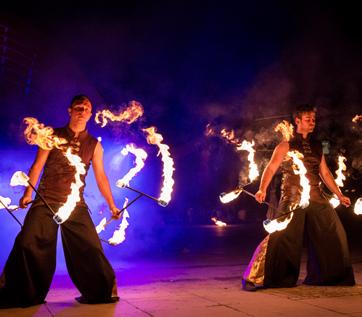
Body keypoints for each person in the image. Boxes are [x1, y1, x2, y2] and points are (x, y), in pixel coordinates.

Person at [0, 95, 121, 307]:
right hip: (46, 200)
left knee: (91, 247)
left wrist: (112, 204)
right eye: (78, 108)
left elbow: (101, 177)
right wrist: (28, 193)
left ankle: (101, 292)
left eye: (86, 109)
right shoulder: (52, 135)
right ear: (70, 111)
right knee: (28, 242)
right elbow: (37, 166)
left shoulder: (94, 145)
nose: (82, 111)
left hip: (75, 204)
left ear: (90, 114)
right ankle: (19, 294)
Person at [242, 104, 355, 291]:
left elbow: (325, 174)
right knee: (283, 237)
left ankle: (328, 276)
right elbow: (270, 168)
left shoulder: (317, 146)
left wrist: (339, 195)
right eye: (308, 119)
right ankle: (271, 277)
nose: (312, 122)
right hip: (293, 197)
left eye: (314, 119)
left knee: (334, 232)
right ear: (297, 121)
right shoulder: (286, 145)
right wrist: (262, 189)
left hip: (316, 197)